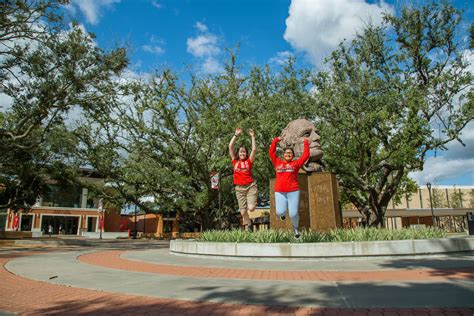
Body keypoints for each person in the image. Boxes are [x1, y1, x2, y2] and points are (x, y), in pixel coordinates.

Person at [269, 135, 309, 239]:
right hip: (280, 191)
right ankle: (282, 214)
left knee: (293, 214)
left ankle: (295, 229)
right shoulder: (278, 162)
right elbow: (271, 153)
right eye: (286, 153)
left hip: (293, 191)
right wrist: (276, 140)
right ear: (283, 155)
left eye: (290, 153)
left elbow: (305, 155)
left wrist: (305, 142)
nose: (288, 154)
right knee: (279, 212)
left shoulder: (295, 164)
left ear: (292, 155)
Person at [229, 127, 257, 232]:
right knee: (242, 212)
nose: (242, 154)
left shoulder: (249, 161)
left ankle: (253, 204)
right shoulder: (234, 161)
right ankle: (249, 224)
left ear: (246, 153)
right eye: (241, 152)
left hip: (250, 186)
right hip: (239, 189)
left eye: (244, 152)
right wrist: (236, 135)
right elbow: (230, 146)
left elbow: (254, 150)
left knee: (251, 208)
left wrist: (253, 137)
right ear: (238, 153)